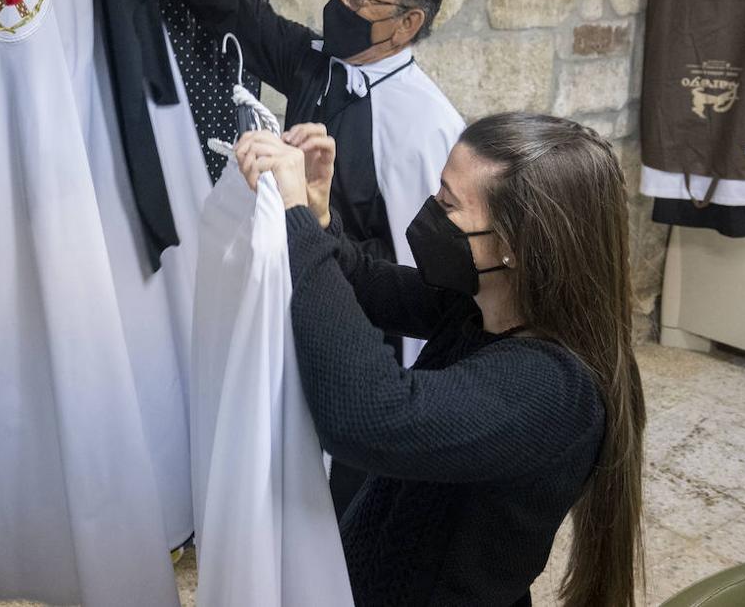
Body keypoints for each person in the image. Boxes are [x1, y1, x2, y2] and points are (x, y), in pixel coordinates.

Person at [93, 0, 465, 514]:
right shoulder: (317, 60)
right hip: (286, 294)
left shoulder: (428, 125)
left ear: (407, 24)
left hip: (362, 333)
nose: (342, 4)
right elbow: (229, 2)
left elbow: (430, 276)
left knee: (345, 496)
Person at [233, 113, 646, 607]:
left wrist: (297, 223)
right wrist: (320, 218)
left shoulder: (555, 391)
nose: (431, 212)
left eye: (448, 205)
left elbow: (371, 415)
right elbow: (367, 283)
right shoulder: (480, 304)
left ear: (515, 245)